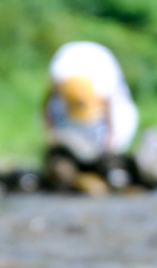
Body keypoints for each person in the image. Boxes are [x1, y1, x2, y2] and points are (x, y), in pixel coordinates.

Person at [43, 42, 140, 187]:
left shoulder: (105, 81)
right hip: (70, 127)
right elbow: (46, 103)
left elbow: (111, 111)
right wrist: (50, 131)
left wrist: (110, 143)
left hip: (109, 116)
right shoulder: (60, 73)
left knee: (111, 158)